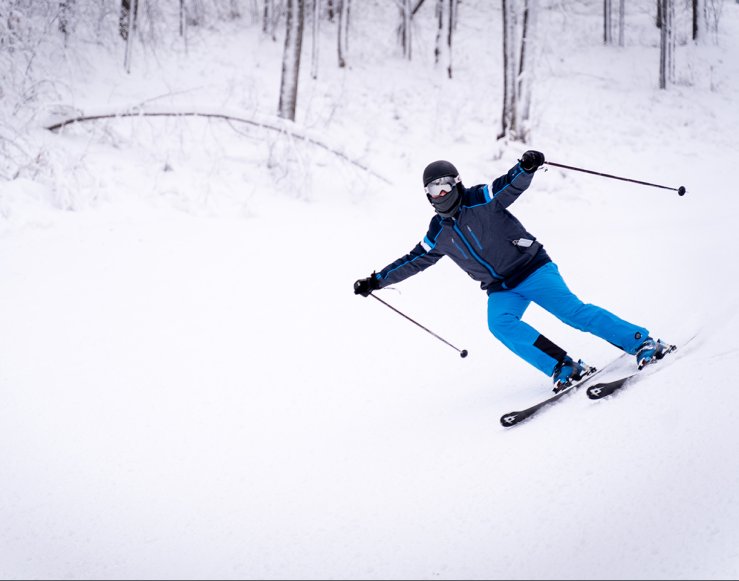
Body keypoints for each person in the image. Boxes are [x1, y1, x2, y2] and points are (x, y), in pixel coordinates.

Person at [353, 152, 671, 392]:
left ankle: (643, 342)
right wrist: (377, 280)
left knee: (574, 314)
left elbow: (508, 187)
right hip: (501, 287)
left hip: (532, 268)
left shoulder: (479, 199)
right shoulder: (438, 232)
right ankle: (563, 367)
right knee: (500, 324)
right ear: (427, 194)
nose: (441, 193)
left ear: (457, 183)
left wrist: (526, 167)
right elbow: (414, 260)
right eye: (433, 189)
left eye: (445, 185)